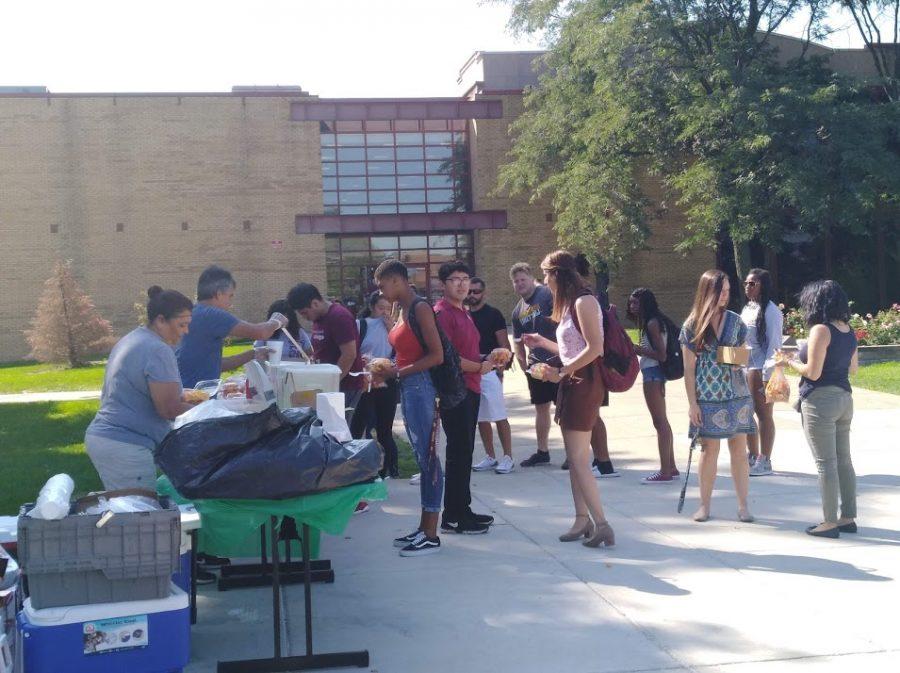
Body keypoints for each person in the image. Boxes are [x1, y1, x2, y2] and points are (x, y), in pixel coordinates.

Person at [521, 251, 614, 548]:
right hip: (574, 382)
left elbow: (595, 348)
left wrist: (560, 372)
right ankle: (581, 519)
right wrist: (543, 342)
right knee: (576, 460)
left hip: (583, 383)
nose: (544, 280)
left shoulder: (584, 301)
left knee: (578, 459)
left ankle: (601, 524)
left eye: (546, 274)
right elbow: (574, 349)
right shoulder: (572, 304)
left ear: (559, 274)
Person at [86, 286, 196, 491]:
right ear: (161, 320)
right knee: (140, 515)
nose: (185, 332)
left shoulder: (134, 338)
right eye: (181, 325)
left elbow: (144, 391)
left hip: (111, 439)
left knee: (134, 514)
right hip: (125, 443)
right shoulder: (158, 349)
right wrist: (211, 409)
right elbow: (169, 409)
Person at [371, 259, 445, 556]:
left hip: (421, 386)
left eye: (382, 285)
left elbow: (437, 355)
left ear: (396, 280)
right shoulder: (400, 309)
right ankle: (423, 527)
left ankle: (431, 533)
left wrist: (397, 372)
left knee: (428, 459)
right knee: (422, 456)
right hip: (409, 386)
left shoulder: (420, 307)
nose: (380, 291)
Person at [782, 280, 858, 538]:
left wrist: (791, 361)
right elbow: (853, 368)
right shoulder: (848, 330)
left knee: (826, 463)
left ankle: (828, 522)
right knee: (844, 460)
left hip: (820, 401)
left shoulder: (820, 330)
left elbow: (812, 373)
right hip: (844, 398)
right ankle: (848, 516)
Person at [288, 282, 373, 513]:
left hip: (344, 388)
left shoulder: (339, 317)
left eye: (306, 312)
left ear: (315, 302)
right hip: (329, 389)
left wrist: (330, 383)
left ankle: (357, 498)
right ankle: (337, 491)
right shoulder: (319, 320)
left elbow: (349, 354)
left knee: (343, 441)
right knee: (330, 441)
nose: (306, 318)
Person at [680, 270, 755, 523]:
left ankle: (743, 506)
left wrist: (737, 358)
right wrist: (693, 404)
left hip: (736, 394)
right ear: (707, 292)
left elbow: (745, 355)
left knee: (739, 450)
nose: (725, 296)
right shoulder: (692, 326)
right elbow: (688, 371)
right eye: (720, 291)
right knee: (709, 450)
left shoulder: (736, 322)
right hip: (708, 397)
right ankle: (704, 506)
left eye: (727, 292)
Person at [434, 261, 497, 534]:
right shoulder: (441, 313)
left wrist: (488, 358)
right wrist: (479, 367)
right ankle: (454, 517)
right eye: (454, 279)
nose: (461, 284)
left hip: (471, 387)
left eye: (465, 278)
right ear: (443, 285)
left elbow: (468, 353)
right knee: (459, 454)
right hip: (454, 391)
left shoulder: (464, 311)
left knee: (465, 452)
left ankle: (461, 509)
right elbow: (447, 359)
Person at [176, 265, 286, 388]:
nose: (230, 304)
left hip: (189, 392)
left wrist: (253, 353)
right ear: (218, 294)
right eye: (230, 296)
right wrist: (277, 320)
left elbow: (217, 364)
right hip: (197, 397)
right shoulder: (212, 315)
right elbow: (261, 332)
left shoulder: (196, 312)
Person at [572, 254, 618, 479]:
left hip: (593, 367)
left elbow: (594, 344)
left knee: (592, 416)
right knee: (592, 415)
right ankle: (600, 460)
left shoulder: (585, 299)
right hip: (588, 367)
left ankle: (604, 462)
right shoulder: (581, 298)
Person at [510, 262, 559, 467]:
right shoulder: (518, 310)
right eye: (516, 281)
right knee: (541, 408)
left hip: (557, 361)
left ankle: (574, 454)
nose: (520, 284)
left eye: (523, 279)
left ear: (532, 279)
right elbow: (518, 342)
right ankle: (542, 451)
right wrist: (524, 366)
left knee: (563, 408)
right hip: (536, 365)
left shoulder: (547, 294)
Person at [627, 288, 678, 483]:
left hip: (654, 374)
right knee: (662, 421)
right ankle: (670, 467)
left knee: (659, 422)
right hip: (654, 373)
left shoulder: (652, 323)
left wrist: (636, 349)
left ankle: (665, 470)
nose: (632, 307)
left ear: (646, 303)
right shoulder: (652, 321)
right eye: (631, 303)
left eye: (636, 303)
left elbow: (661, 354)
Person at [466, 276, 515, 474]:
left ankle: (508, 457)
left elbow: (504, 345)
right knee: (481, 417)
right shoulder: (463, 314)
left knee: (499, 414)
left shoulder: (493, 314)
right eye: (469, 291)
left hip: (490, 371)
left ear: (483, 293)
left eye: (476, 291)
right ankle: (490, 456)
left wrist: (500, 368)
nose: (472, 295)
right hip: (470, 370)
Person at [740, 269, 783, 476]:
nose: (747, 287)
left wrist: (768, 375)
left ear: (762, 286)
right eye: (746, 283)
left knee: (764, 414)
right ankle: (752, 455)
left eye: (752, 284)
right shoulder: (748, 308)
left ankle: (765, 460)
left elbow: (775, 346)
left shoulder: (771, 311)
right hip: (745, 368)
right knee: (747, 414)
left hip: (761, 369)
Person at [358, 291, 401, 479]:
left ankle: (390, 468)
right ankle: (366, 468)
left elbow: (402, 352)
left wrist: (392, 328)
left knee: (385, 429)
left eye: (388, 309)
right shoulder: (361, 325)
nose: (384, 312)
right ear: (372, 307)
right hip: (366, 381)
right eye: (380, 308)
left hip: (387, 382)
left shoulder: (395, 328)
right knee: (364, 426)